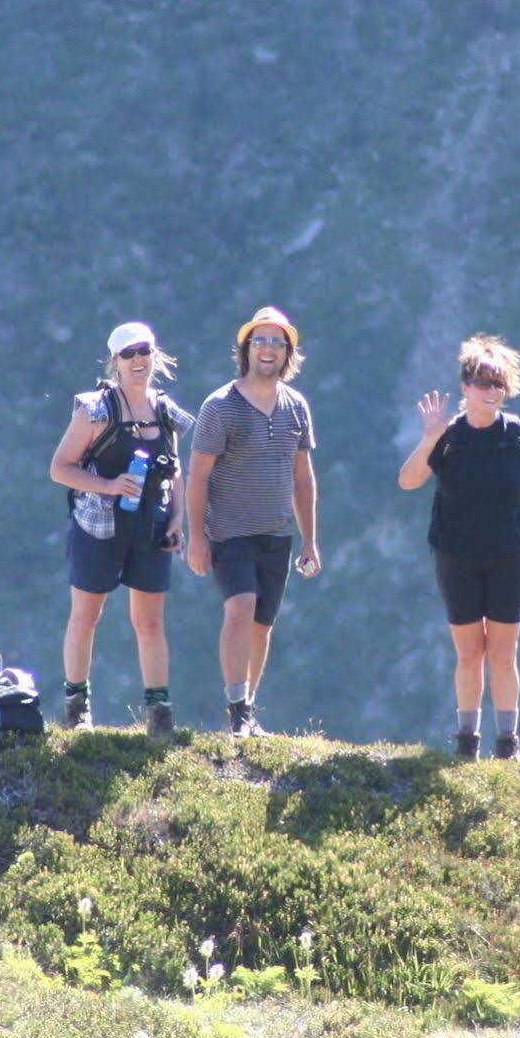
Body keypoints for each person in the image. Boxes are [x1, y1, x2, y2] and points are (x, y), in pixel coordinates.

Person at [397, 335, 520, 760]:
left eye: (498, 384)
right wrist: (429, 437)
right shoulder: (446, 438)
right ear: (465, 387)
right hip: (456, 557)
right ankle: (467, 742)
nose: (491, 392)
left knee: (503, 652)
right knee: (469, 653)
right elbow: (408, 481)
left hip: (509, 556)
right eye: (483, 383)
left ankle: (508, 744)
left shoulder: (519, 435)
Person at [48, 321, 195, 734]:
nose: (137, 360)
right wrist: (109, 486)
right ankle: (77, 707)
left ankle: (159, 714)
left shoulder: (165, 411)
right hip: (97, 527)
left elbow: (176, 469)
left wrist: (179, 519)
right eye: (128, 354)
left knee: (150, 621)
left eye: (143, 351)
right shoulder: (95, 410)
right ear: (114, 362)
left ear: (155, 354)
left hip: (150, 527)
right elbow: (60, 468)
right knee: (87, 615)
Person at [185, 305, 321, 737]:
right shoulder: (220, 406)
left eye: (276, 342)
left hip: (277, 533)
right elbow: (198, 476)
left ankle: (249, 708)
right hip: (229, 532)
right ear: (246, 349)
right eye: (259, 341)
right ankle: (236, 709)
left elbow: (303, 478)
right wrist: (196, 539)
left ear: (288, 353)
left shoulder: (296, 407)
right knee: (240, 609)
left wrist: (310, 541)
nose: (267, 349)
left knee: (263, 624)